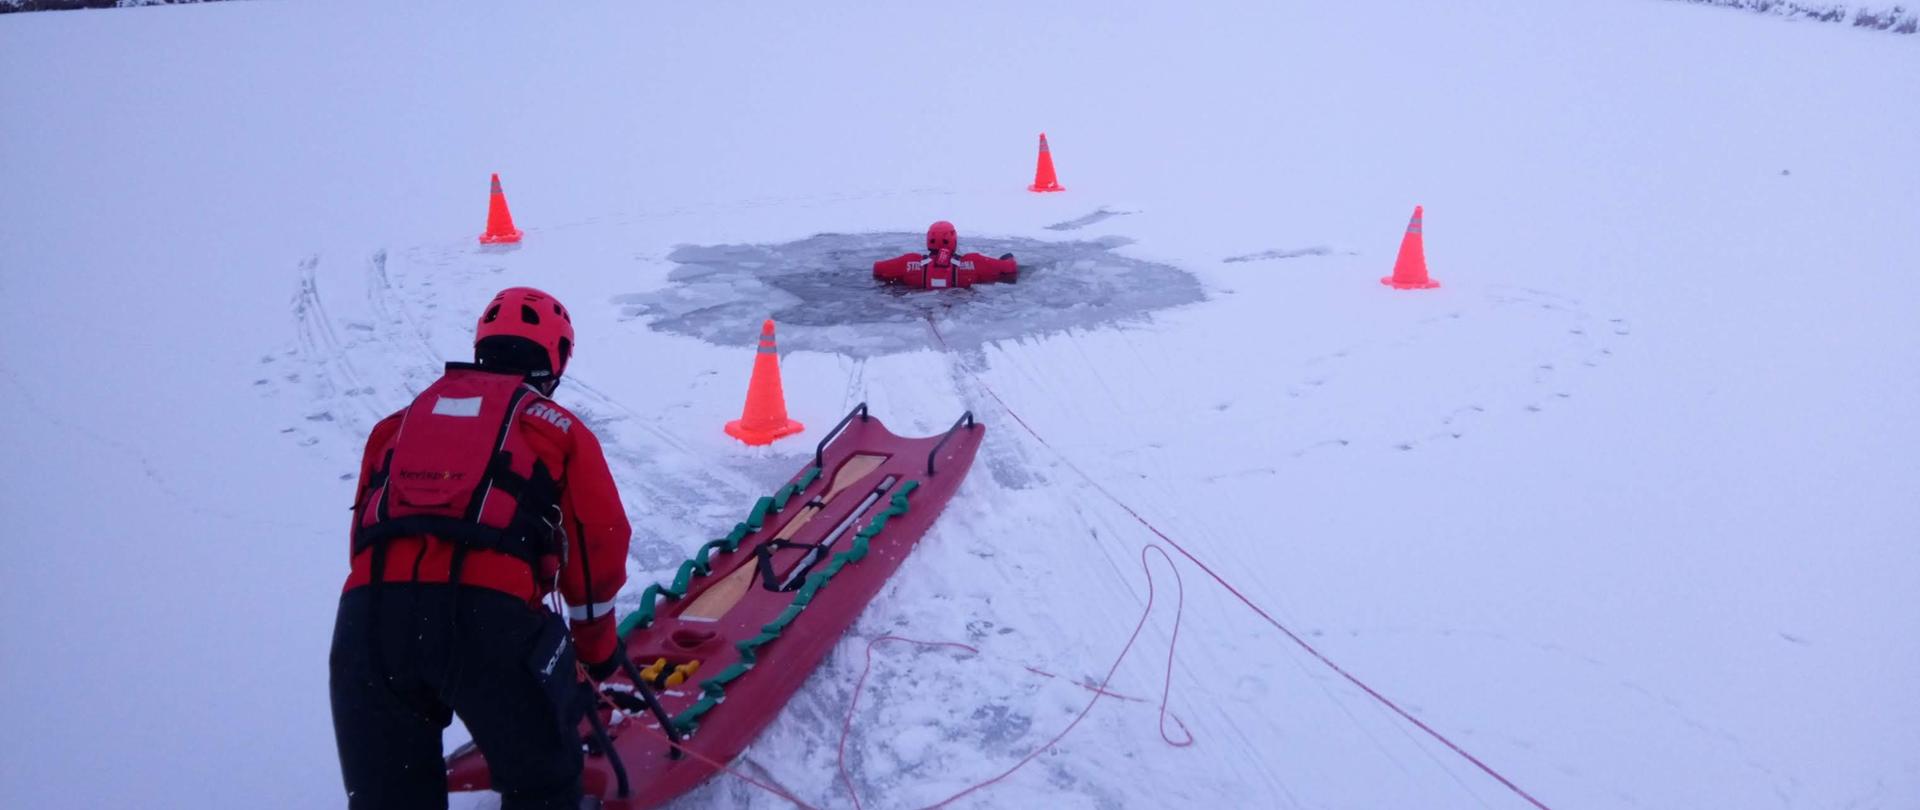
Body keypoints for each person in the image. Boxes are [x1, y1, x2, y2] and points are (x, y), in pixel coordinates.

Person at [329, 286, 630, 809]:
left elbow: (362, 538)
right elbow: (599, 541)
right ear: (556, 360)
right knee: (546, 786)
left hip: (366, 625)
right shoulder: (556, 429)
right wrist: (597, 652)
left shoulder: (396, 425)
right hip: (486, 624)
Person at [873, 220, 1019, 289]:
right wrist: (1008, 256)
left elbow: (878, 269)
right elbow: (1009, 268)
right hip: (959, 306)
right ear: (953, 240)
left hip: (921, 304)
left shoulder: (909, 262)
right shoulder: (974, 262)